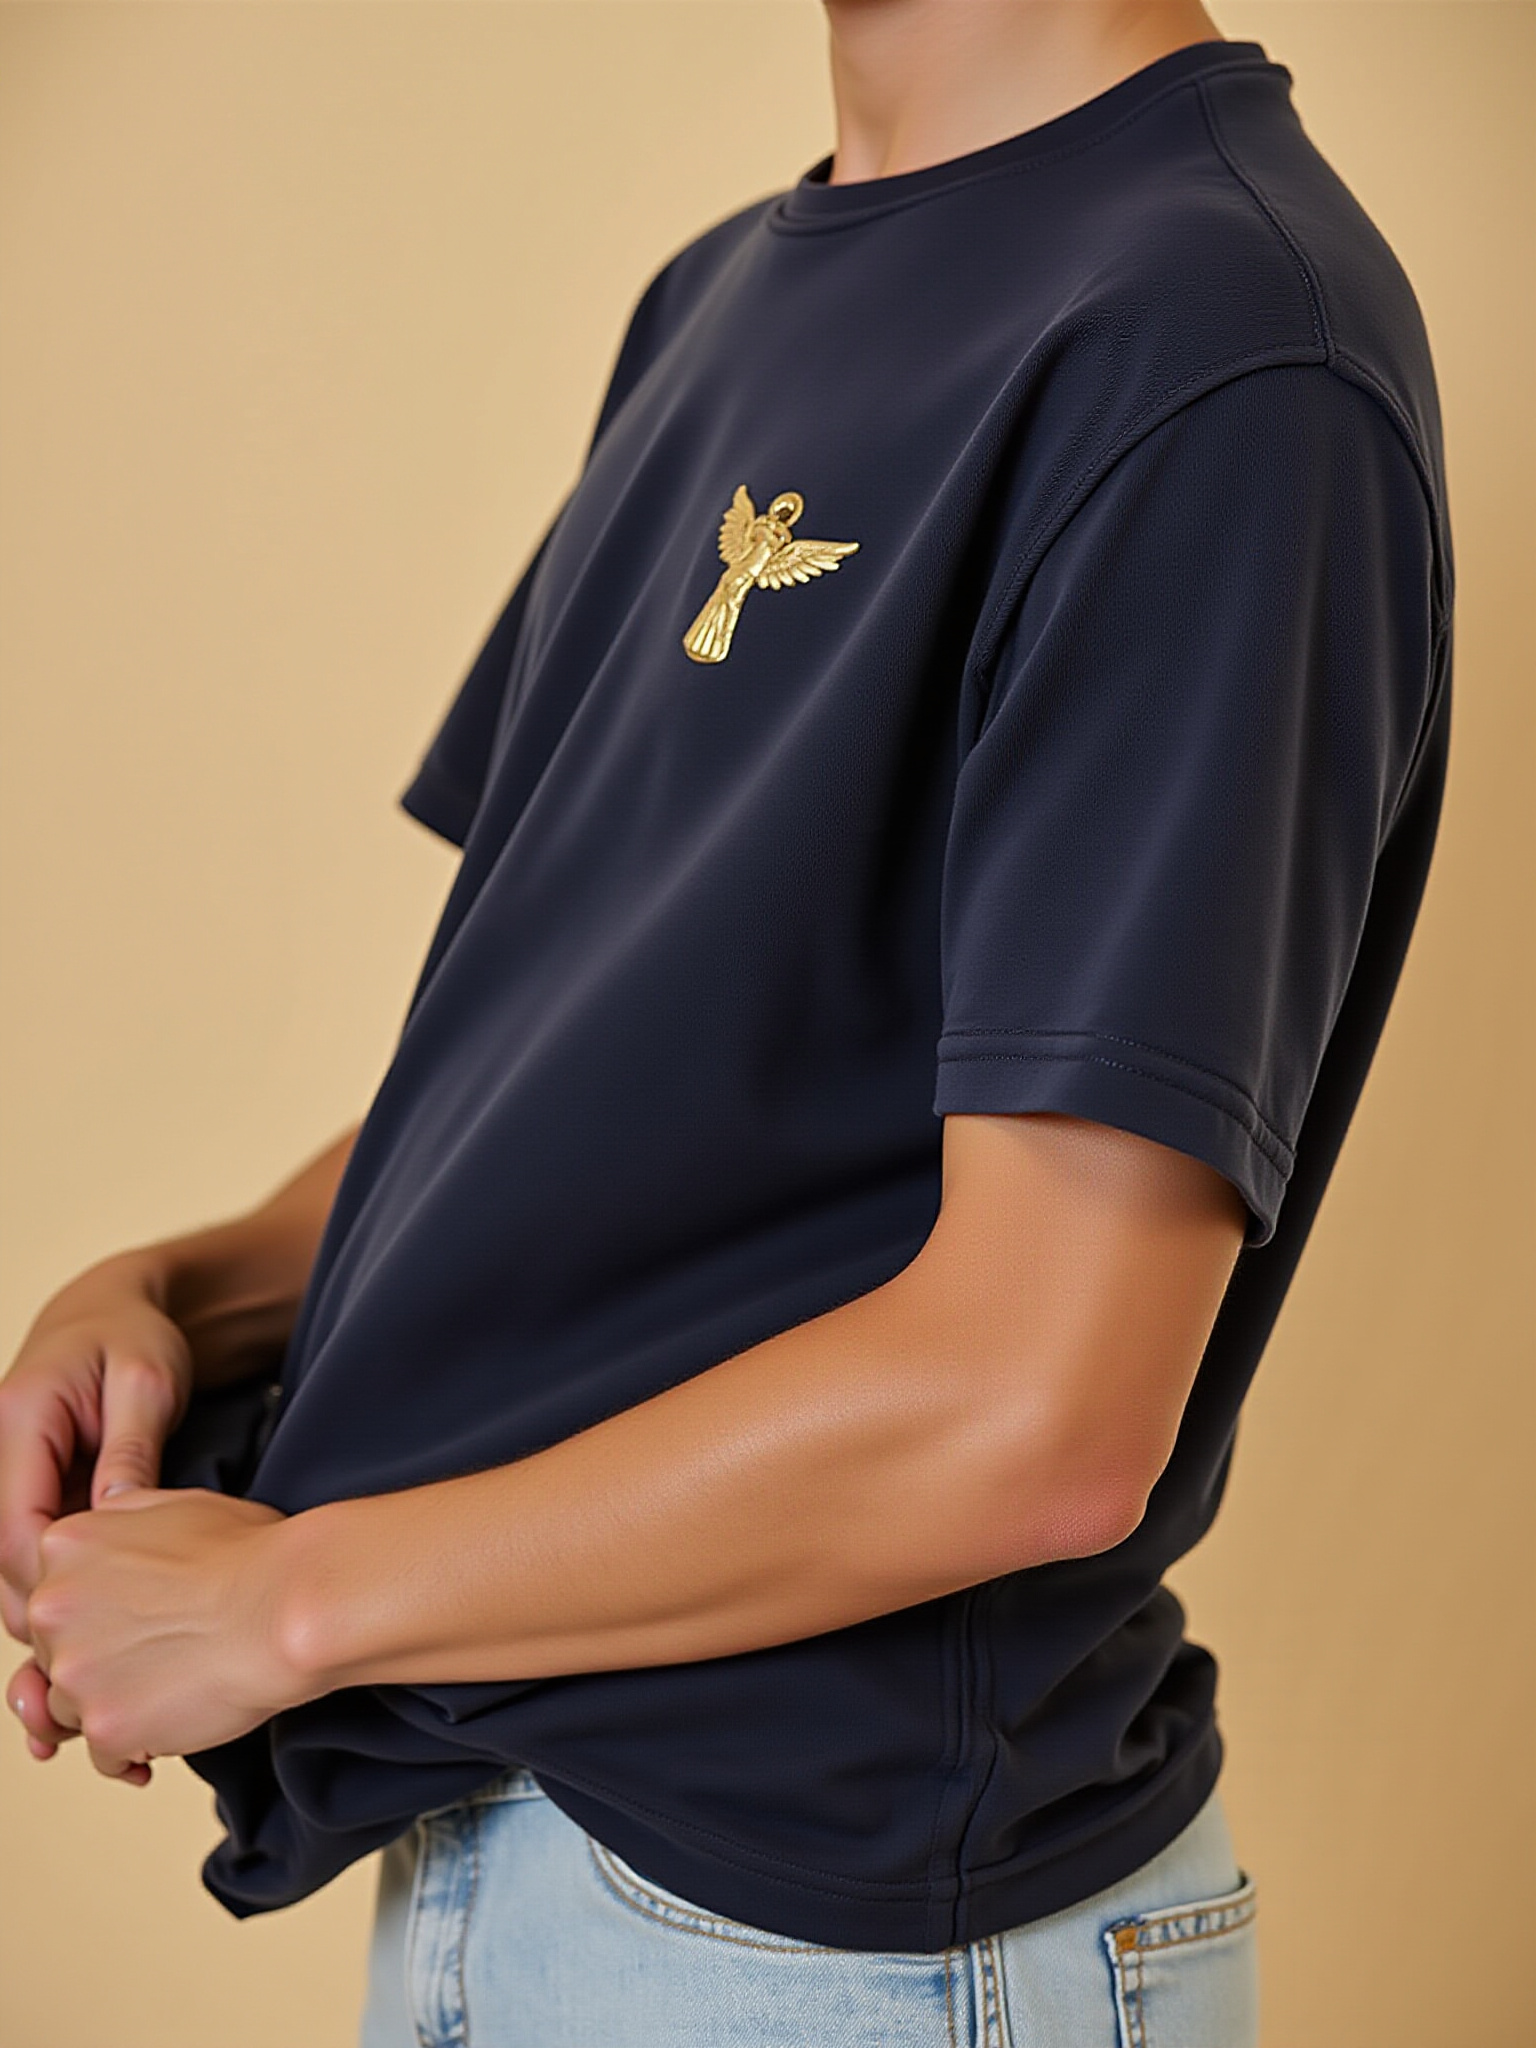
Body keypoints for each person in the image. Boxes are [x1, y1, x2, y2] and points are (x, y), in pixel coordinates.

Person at [0, 2, 1453, 2042]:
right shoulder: (718, 300)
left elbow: (1035, 1416)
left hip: (839, 1938)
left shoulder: (1222, 347)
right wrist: (187, 1288)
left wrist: (296, 1601)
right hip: (512, 1846)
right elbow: (581, 1098)